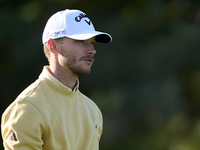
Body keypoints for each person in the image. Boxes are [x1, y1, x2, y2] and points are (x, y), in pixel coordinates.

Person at [1, 9, 112, 150]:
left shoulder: (93, 110)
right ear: (53, 46)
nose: (92, 50)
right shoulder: (27, 107)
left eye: (92, 43)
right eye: (81, 41)